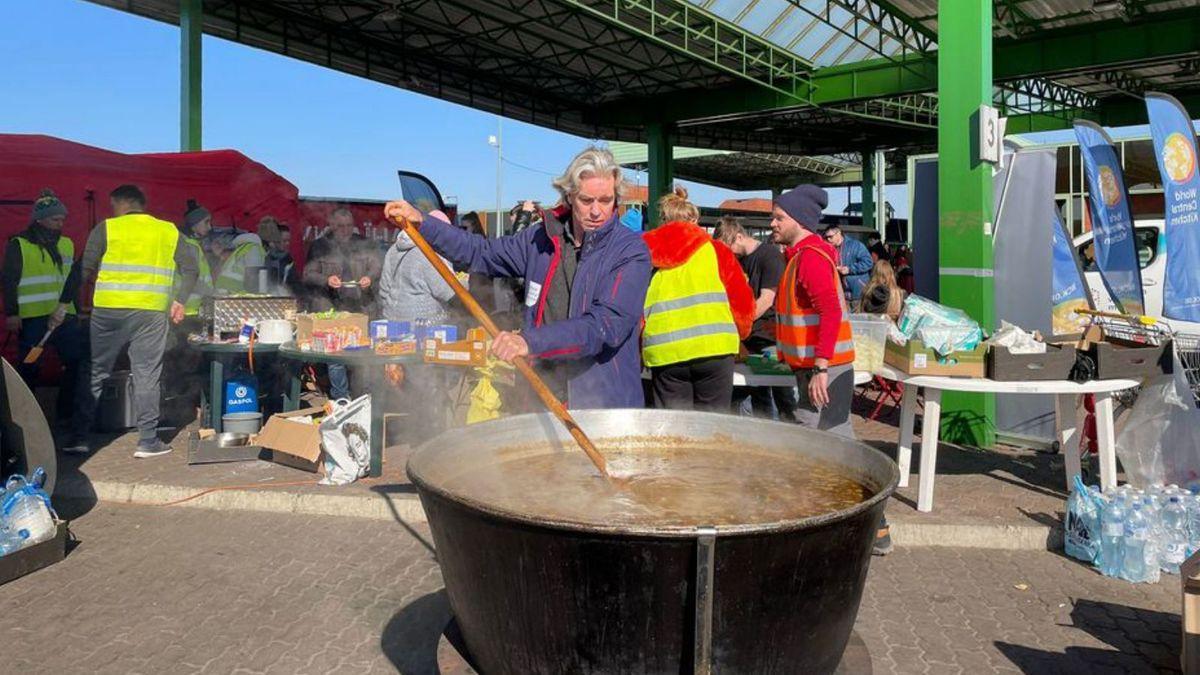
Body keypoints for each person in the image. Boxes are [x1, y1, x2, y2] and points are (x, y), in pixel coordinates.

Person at [383, 146, 651, 409]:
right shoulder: (541, 238)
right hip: (541, 392)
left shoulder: (630, 251)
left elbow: (604, 325)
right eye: (586, 200)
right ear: (569, 196)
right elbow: (482, 252)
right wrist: (424, 224)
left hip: (604, 402)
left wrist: (529, 341)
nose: (596, 211)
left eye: (605, 201)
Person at [772, 184, 891, 555]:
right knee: (824, 442)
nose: (772, 223)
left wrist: (821, 366)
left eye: (778, 218)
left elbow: (830, 312)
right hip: (818, 369)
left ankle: (872, 526)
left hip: (827, 370)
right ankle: (841, 520)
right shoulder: (804, 255)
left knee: (833, 443)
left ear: (798, 220)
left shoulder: (809, 257)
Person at [65, 185, 198, 457]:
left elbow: (83, 268)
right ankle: (148, 441)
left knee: (95, 371)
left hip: (108, 312)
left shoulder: (107, 228)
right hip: (150, 312)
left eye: (113, 205)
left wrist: (63, 303)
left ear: (122, 204)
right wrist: (179, 299)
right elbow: (191, 268)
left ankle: (79, 438)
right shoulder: (167, 230)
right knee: (147, 374)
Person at [641, 189, 752, 412]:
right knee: (712, 427)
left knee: (675, 430)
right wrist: (742, 335)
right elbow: (741, 302)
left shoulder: (645, 254)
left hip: (666, 353)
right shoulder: (716, 251)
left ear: (664, 221)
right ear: (695, 220)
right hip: (715, 350)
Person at [2, 189, 90, 448]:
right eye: (54, 220)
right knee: (30, 366)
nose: (60, 224)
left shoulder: (67, 244)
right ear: (39, 220)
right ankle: (25, 419)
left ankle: (64, 415)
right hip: (32, 320)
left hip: (65, 318)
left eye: (62, 220)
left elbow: (71, 281)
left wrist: (75, 309)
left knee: (75, 363)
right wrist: (12, 313)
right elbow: (9, 280)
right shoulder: (19, 244)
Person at [713, 216, 796, 421]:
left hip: (769, 339)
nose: (728, 254)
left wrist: (740, 326)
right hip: (749, 340)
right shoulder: (738, 260)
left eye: (729, 247)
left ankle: (792, 436)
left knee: (783, 395)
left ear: (739, 236)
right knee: (756, 395)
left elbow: (767, 299)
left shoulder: (769, 256)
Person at [301, 206, 382, 400]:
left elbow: (377, 266)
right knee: (336, 358)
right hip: (332, 309)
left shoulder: (364, 243)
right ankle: (341, 399)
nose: (345, 230)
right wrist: (326, 281)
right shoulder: (319, 246)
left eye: (348, 226)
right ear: (331, 226)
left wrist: (369, 278)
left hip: (361, 309)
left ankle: (362, 398)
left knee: (362, 357)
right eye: (340, 227)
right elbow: (307, 275)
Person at [379, 220, 456, 324]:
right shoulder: (428, 254)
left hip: (392, 321)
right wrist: (466, 284)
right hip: (422, 326)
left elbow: (384, 290)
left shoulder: (393, 250)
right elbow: (447, 292)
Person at [823, 225, 873, 304]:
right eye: (826, 237)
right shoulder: (830, 249)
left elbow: (868, 262)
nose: (828, 239)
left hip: (858, 293)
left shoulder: (856, 245)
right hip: (841, 294)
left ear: (838, 233)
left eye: (830, 237)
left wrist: (849, 269)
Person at [213, 226, 265, 295]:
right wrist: (259, 296)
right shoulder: (254, 248)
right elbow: (252, 275)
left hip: (224, 292)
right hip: (234, 293)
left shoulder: (240, 250)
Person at [258, 217, 295, 293]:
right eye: (284, 241)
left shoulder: (289, 260)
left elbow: (295, 282)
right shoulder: (263, 257)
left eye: (288, 241)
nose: (287, 244)